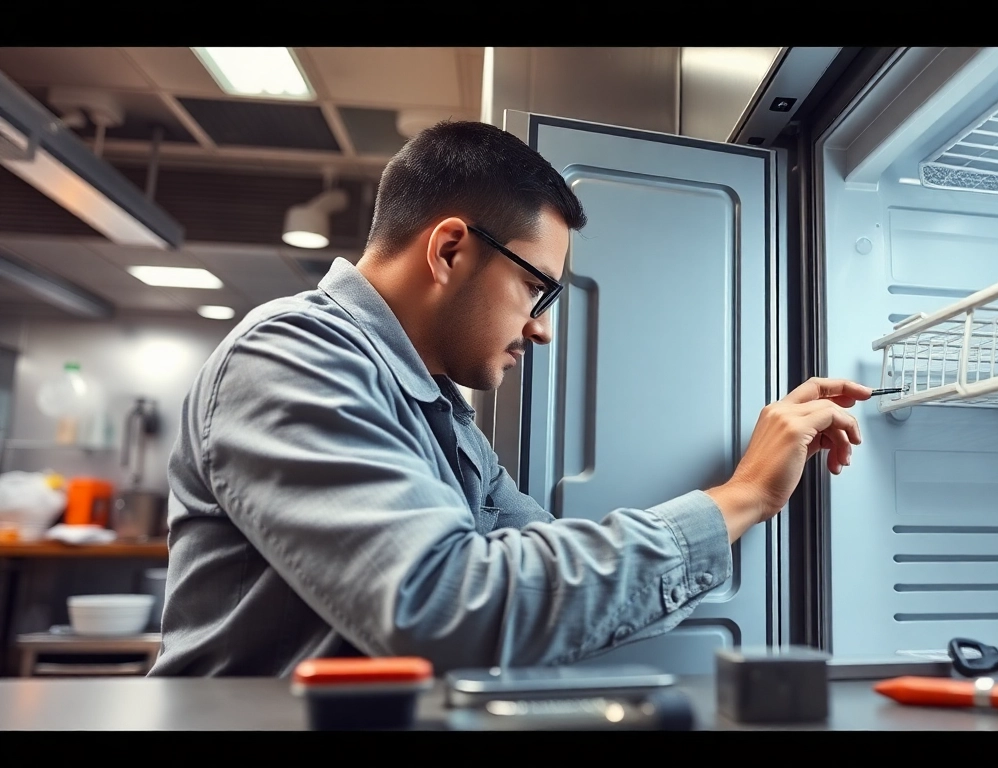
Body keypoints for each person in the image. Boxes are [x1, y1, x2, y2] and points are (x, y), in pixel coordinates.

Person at [148, 120, 871, 677]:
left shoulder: (439, 413)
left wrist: (743, 487)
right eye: (536, 287)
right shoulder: (290, 357)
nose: (542, 328)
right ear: (450, 249)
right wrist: (743, 496)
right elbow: (445, 609)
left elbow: (542, 583)